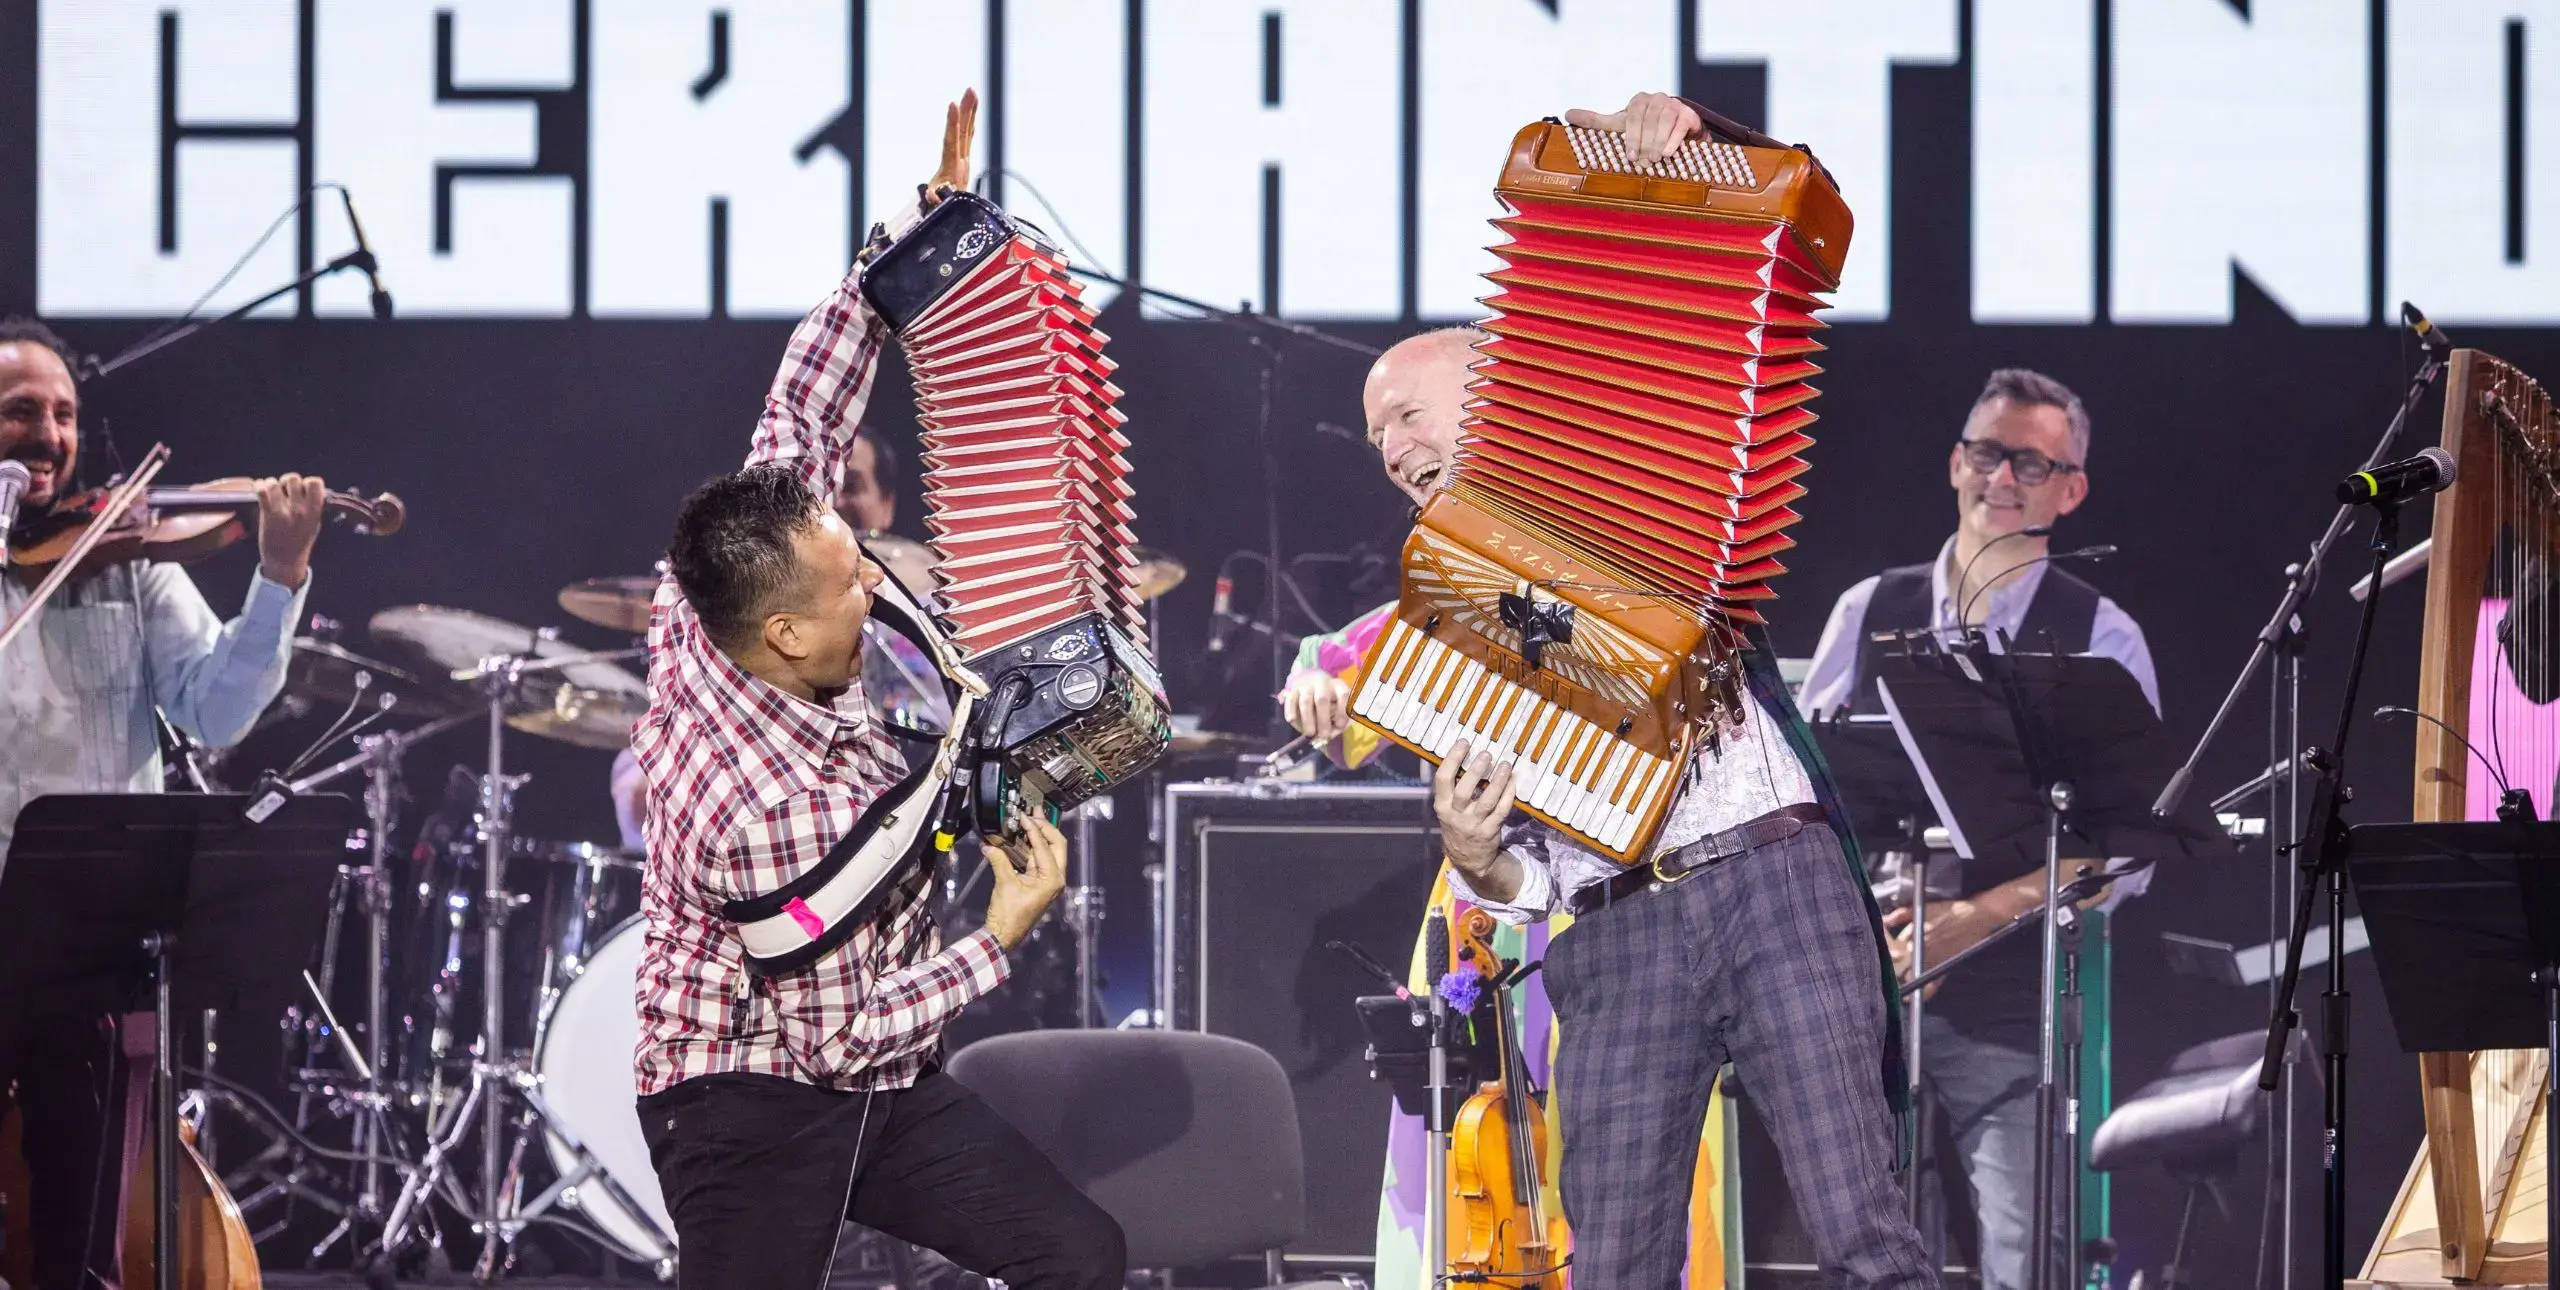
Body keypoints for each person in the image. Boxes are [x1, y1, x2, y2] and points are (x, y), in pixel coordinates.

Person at [1303, 93, 1936, 1287]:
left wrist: (1701, 133)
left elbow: (1747, 254)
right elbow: (1523, 878)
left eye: (1403, 411)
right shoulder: (1443, 627)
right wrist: (1477, 852)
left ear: (1497, 386)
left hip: (1771, 877)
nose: (1388, 447)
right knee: (1617, 1267)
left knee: (1863, 1235)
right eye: (1375, 439)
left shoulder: (1626, 445)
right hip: (1611, 928)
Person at [625, 90, 1125, 1290]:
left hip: (876, 1078)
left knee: (1076, 1257)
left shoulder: (722, 588)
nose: (879, 590)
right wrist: (999, 937)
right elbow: (834, 1038)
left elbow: (804, 403)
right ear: (787, 631)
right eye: (853, 585)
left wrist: (906, 244)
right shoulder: (762, 804)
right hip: (747, 1100)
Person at [1798, 367, 2159, 1290]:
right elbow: (1800, 803)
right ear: (1958, 463)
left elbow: (2122, 853)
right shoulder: (1868, 606)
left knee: (2026, 1255)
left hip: (2019, 994)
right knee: (1864, 1257)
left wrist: (1976, 917)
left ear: (2072, 490)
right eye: (1992, 454)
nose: (2006, 478)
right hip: (1871, 980)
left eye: (2034, 464)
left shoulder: (2101, 632)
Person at [0, 316, 325, 1290]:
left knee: (82, 1247)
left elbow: (218, 709)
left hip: (87, 951)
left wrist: (281, 573)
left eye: (64, 415)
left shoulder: (129, 560)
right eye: (21, 412)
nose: (50, 436)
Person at [609, 420, 926, 852]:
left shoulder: (928, 602)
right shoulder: (733, 610)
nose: (834, 501)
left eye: (851, 485)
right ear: (788, 634)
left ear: (887, 504)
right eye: (852, 578)